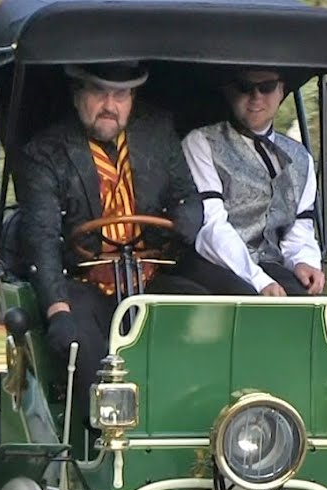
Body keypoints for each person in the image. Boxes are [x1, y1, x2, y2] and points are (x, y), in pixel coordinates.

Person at [13, 60, 207, 430]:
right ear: (77, 96)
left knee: (212, 314)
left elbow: (188, 197)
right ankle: (104, 440)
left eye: (121, 95)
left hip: (150, 275)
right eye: (99, 93)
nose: (110, 105)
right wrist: (58, 311)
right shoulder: (45, 152)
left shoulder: (156, 132)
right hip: (83, 281)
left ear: (132, 99)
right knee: (80, 345)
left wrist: (187, 220)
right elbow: (41, 237)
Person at [179, 66, 325, 297]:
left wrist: (303, 261)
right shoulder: (201, 143)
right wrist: (257, 279)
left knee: (307, 301)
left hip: (270, 264)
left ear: (281, 91)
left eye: (266, 87)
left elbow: (300, 231)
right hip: (214, 263)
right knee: (249, 299)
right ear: (229, 92)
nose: (256, 97)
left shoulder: (301, 158)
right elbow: (211, 226)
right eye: (244, 87)